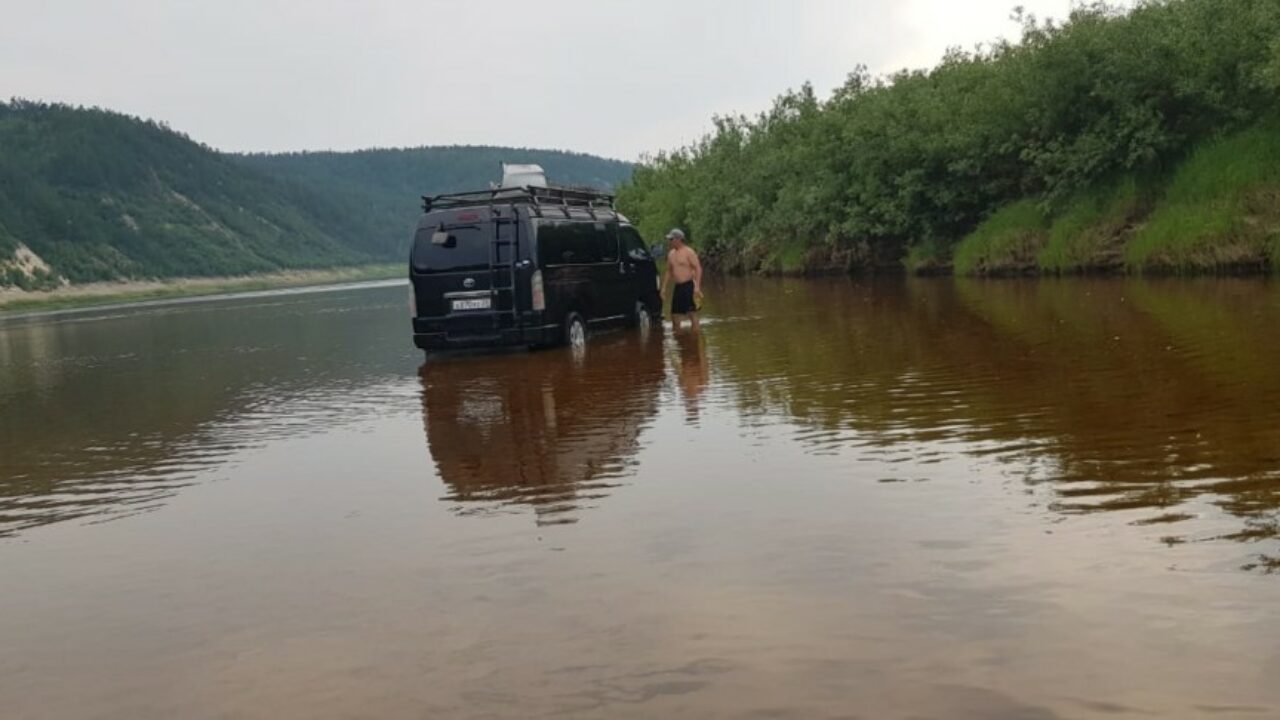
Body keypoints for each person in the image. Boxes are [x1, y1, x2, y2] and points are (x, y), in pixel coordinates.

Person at [659, 228, 702, 331]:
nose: (670, 242)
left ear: (679, 239)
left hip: (689, 285)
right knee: (674, 314)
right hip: (678, 287)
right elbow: (669, 271)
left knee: (692, 313)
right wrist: (663, 288)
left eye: (671, 239)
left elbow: (698, 268)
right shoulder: (671, 254)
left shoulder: (689, 252)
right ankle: (679, 339)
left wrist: (697, 286)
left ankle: (695, 337)